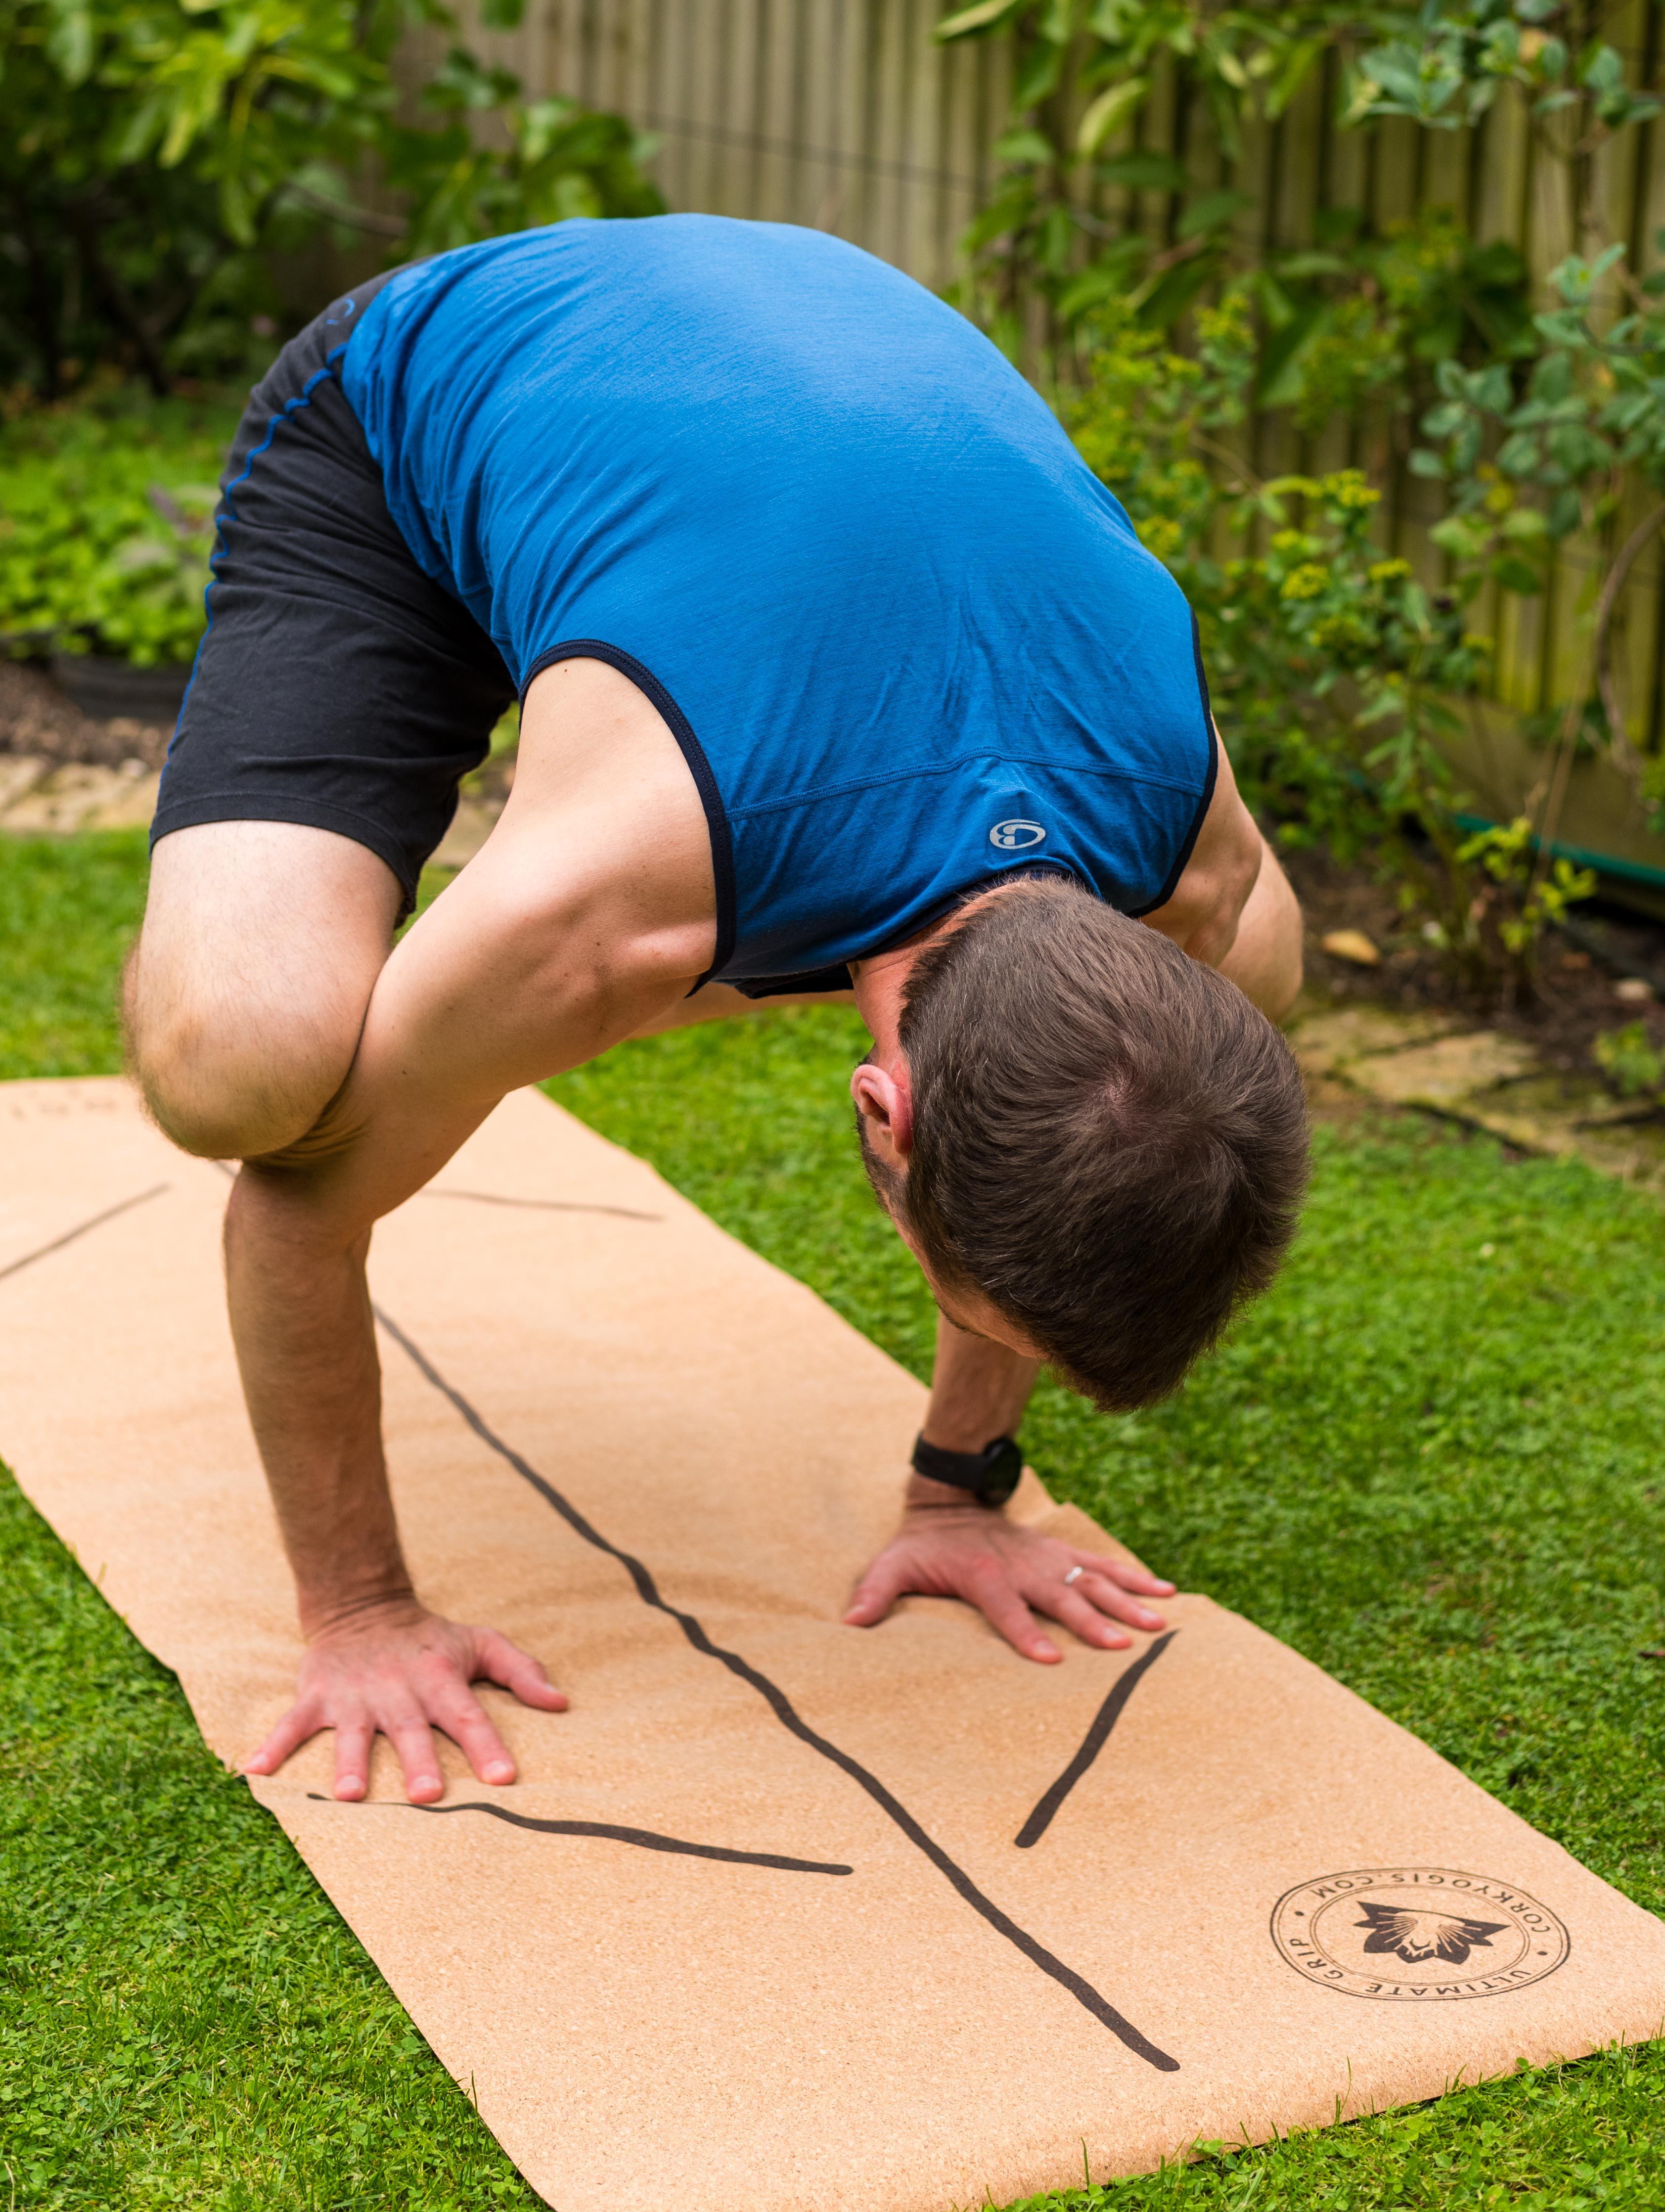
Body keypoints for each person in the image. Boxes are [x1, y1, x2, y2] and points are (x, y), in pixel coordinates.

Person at [125, 214, 1308, 1809]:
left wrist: (962, 1493)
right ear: (875, 1108)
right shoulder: (611, 911)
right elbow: (296, 1214)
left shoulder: (1193, 878)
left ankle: (637, 714)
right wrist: (359, 1613)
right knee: (257, 1068)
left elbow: (1087, 1126)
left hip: (761, 400)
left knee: (1265, 966)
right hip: (419, 410)